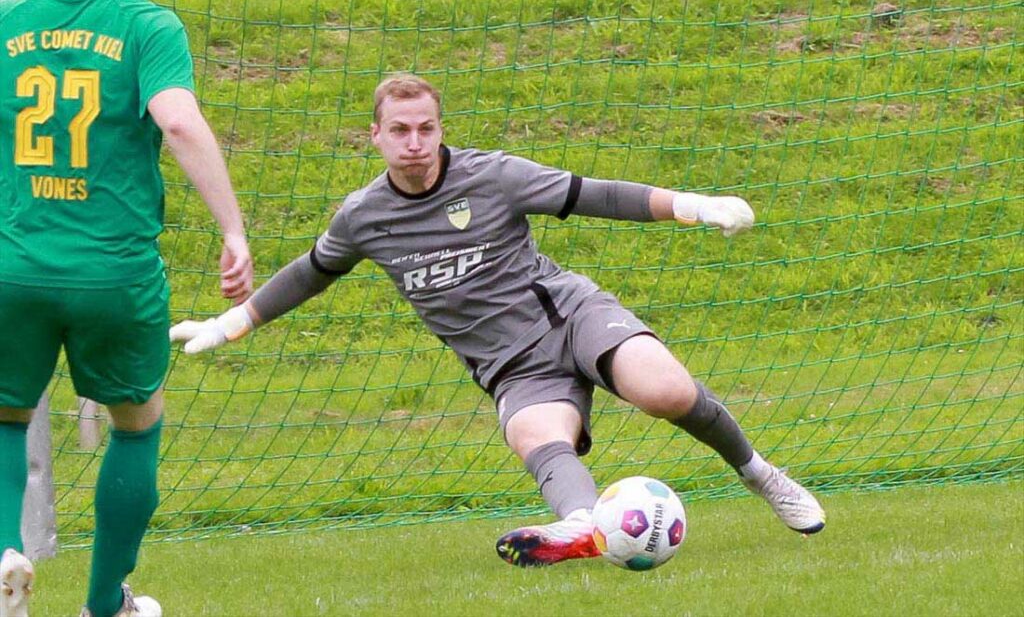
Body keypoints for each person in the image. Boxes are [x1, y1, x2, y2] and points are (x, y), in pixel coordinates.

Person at [170, 73, 824, 569]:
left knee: (667, 392)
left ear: (440, 127)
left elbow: (592, 195)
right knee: (536, 435)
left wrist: (691, 205)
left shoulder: (494, 176)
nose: (415, 143)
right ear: (375, 136)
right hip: (510, 366)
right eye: (400, 130)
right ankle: (581, 527)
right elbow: (312, 272)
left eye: (426, 128)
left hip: (568, 315)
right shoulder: (363, 215)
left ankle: (760, 473)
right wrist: (232, 324)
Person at [0, 0, 253, 615]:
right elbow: (176, 118)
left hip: (15, 265)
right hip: (114, 272)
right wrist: (232, 227)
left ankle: (3, 551)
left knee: (3, 415)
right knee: (136, 423)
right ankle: (104, 605)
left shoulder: (8, 20)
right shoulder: (148, 26)